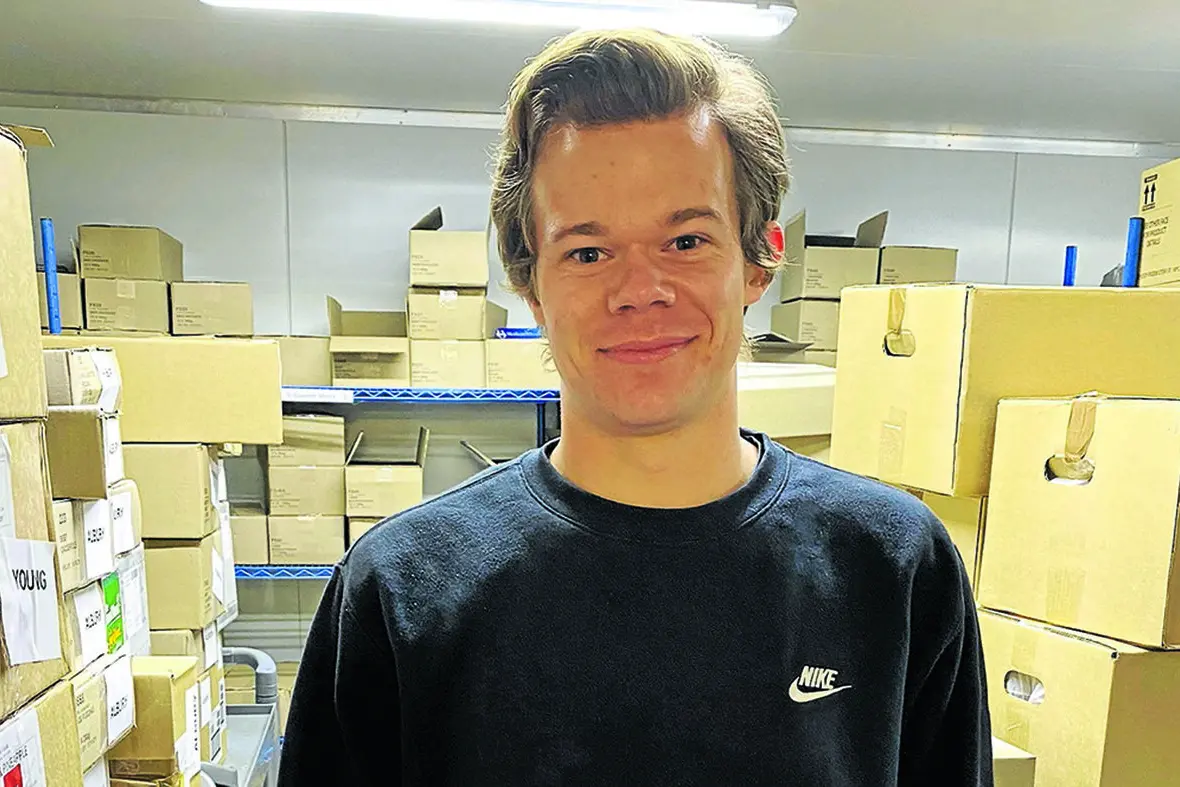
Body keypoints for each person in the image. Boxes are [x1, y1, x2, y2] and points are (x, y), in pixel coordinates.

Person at [280, 28, 992, 786]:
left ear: (758, 261)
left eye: (685, 240)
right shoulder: (401, 588)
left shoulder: (893, 568)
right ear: (530, 285)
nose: (639, 290)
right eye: (587, 252)